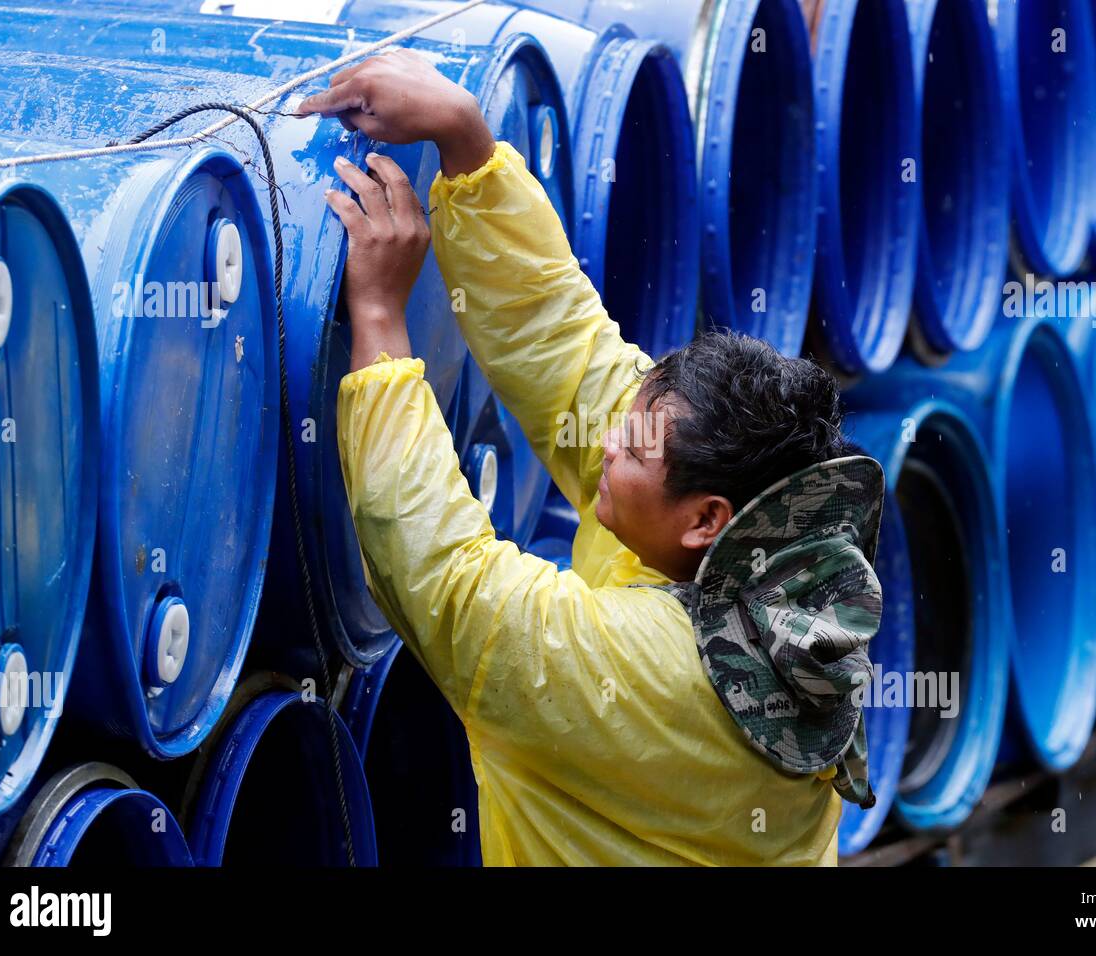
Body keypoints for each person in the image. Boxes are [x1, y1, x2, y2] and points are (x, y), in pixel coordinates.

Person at [297, 49, 885, 866]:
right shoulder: (766, 547)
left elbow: (444, 579)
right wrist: (466, 143)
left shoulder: (644, 677)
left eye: (632, 446)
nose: (604, 441)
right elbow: (568, 348)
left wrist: (379, 319)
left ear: (704, 520)